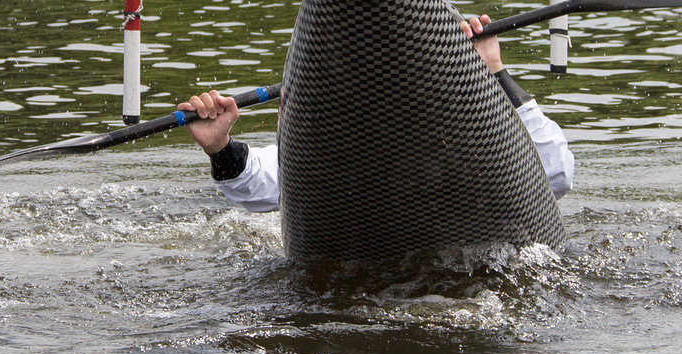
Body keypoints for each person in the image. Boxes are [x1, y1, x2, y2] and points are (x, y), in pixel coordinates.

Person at [178, 15, 574, 212]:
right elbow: (253, 183)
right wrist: (219, 147)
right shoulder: (333, 152)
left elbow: (556, 173)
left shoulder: (457, 141)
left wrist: (492, 69)